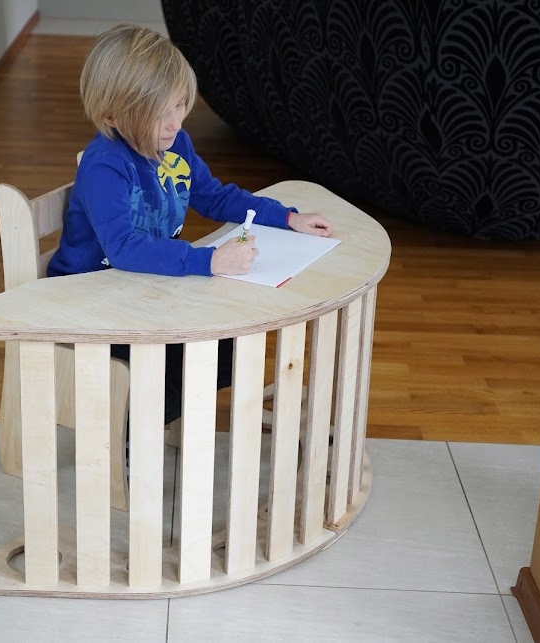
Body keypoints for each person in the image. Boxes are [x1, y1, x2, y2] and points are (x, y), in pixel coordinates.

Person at [47, 24, 334, 427]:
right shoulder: (104, 167)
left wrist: (286, 217)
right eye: (159, 114)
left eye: (180, 104)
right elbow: (124, 247)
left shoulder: (174, 144)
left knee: (224, 348)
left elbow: (214, 196)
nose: (175, 123)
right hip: (87, 302)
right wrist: (209, 260)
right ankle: (128, 435)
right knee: (167, 367)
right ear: (112, 115)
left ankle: (152, 424)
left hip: (140, 289)